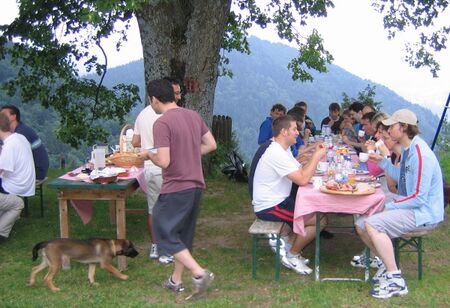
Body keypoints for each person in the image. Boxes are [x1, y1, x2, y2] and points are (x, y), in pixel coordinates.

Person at [354, 109, 444, 299]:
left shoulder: (420, 155)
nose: (388, 129)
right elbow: (400, 179)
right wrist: (384, 162)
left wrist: (391, 206)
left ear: (403, 128)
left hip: (423, 212)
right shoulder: (408, 150)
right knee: (361, 224)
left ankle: (396, 280)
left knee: (373, 223)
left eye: (392, 125)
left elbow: (419, 197)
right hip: (412, 204)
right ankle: (386, 267)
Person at [141, 79, 217, 298]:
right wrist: (189, 154)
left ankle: (199, 273)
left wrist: (148, 155)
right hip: (196, 185)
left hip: (176, 186)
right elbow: (211, 144)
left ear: (153, 99)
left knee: (162, 229)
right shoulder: (193, 115)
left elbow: (164, 161)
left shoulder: (162, 123)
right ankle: (175, 281)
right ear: (173, 96)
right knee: (183, 235)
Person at [251, 115, 327, 275]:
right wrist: (316, 157)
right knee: (320, 220)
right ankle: (292, 254)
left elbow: (299, 169)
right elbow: (302, 179)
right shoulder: (276, 153)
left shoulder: (280, 149)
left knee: (314, 212)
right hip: (270, 206)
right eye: (294, 129)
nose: (297, 133)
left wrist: (312, 156)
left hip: (279, 200)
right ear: (284, 132)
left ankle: (287, 246)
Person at [132, 89, 168, 264]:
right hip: (167, 164)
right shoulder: (169, 114)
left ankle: (155, 245)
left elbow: (135, 142)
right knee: (171, 208)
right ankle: (169, 246)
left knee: (153, 209)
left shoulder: (142, 114)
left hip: (150, 166)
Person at [0, 113, 35, 240]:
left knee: (17, 204)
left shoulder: (9, 146)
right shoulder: (20, 137)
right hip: (22, 182)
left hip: (14, 185)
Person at [0, 105, 49, 180]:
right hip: (37, 169)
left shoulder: (20, 134)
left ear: (13, 117)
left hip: (36, 172)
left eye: (3, 115)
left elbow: (9, 159)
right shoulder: (21, 129)